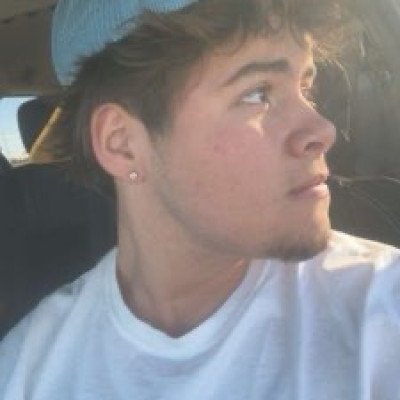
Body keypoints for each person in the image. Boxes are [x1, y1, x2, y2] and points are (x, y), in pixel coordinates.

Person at [1, 0, 400, 398]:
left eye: (306, 89)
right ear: (122, 144)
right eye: (257, 93)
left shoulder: (383, 306)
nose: (323, 129)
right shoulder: (25, 370)